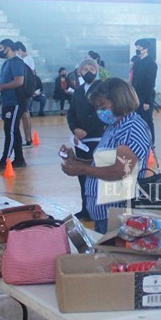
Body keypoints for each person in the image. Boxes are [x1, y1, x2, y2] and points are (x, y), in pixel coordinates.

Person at [61, 77, 151, 234]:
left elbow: (121, 170)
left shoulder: (131, 128)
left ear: (119, 101)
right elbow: (103, 161)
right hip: (104, 213)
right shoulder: (114, 126)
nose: (100, 111)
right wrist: (77, 160)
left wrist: (83, 169)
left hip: (119, 215)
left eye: (103, 106)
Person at [67, 59, 105, 220]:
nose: (88, 71)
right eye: (85, 69)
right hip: (81, 141)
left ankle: (99, 209)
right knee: (82, 174)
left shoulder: (102, 88)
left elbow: (100, 112)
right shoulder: (78, 90)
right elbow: (72, 112)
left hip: (97, 137)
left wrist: (86, 130)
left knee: (97, 173)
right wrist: (75, 129)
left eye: (91, 68)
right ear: (80, 72)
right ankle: (86, 208)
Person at [0, 39, 28, 171]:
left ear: (8, 48)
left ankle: (5, 160)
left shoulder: (17, 62)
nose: (0, 51)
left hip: (15, 101)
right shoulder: (6, 63)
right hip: (7, 101)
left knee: (10, 131)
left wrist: (1, 87)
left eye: (1, 48)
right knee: (14, 130)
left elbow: (19, 81)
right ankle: (19, 159)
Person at [131, 38, 158, 143]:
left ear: (146, 49)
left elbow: (150, 83)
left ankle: (151, 141)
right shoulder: (137, 62)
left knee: (147, 119)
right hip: (136, 95)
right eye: (136, 48)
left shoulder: (151, 63)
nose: (137, 50)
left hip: (146, 96)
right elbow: (134, 80)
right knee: (136, 119)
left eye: (139, 48)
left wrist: (147, 101)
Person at [15, 42, 35, 146]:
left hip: (26, 90)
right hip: (23, 90)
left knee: (25, 113)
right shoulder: (24, 60)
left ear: (19, 50)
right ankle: (28, 138)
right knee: (24, 113)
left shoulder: (28, 60)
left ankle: (28, 138)